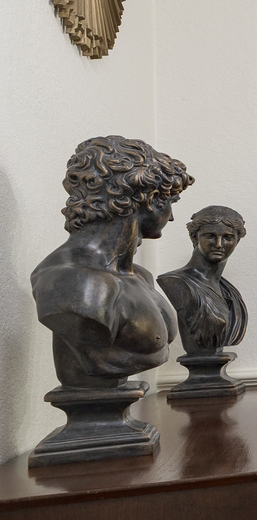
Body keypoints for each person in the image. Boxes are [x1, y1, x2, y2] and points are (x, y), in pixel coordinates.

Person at [31, 136, 192, 391]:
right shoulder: (77, 281)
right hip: (91, 417)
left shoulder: (139, 276)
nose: (171, 217)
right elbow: (98, 362)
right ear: (150, 199)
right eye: (170, 203)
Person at [159, 206, 248, 356]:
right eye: (210, 236)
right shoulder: (177, 282)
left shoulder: (229, 292)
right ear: (195, 237)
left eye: (227, 237)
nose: (219, 244)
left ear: (237, 241)